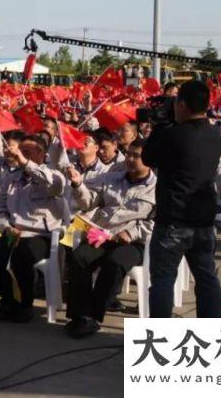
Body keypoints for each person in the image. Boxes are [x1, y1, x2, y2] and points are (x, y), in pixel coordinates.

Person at [142, 80, 221, 318]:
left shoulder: (173, 135)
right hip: (203, 220)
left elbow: (148, 157)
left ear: (183, 104)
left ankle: (160, 338)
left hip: (173, 221)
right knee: (207, 278)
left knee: (163, 280)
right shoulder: (217, 134)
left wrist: (159, 125)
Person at [65, 139, 156, 337]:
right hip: (103, 234)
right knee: (79, 257)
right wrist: (78, 184)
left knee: (115, 262)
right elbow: (88, 202)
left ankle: (95, 315)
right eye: (129, 154)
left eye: (137, 156)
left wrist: (132, 233)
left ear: (149, 159)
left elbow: (155, 222)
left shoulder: (157, 188)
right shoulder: (111, 179)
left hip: (133, 242)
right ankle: (80, 315)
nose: (130, 159)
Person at [0, 134, 66, 323]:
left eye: (27, 152)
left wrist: (25, 163)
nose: (21, 156)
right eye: (21, 152)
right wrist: (6, 227)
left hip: (39, 234)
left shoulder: (53, 174)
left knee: (22, 256)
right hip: (14, 231)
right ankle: (7, 300)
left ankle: (25, 304)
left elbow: (53, 187)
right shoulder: (12, 177)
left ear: (42, 154)